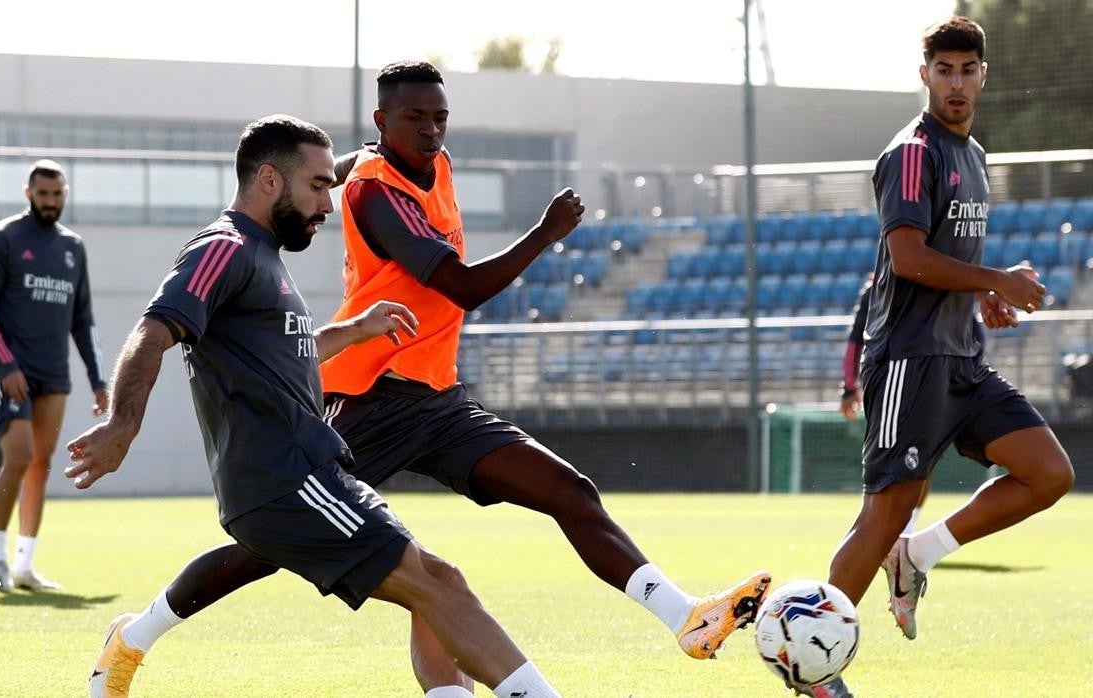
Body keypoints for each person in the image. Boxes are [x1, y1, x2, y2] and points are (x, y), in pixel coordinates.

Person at [88, 61, 771, 698]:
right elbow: (463, 286)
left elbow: (327, 211)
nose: (432, 128)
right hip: (371, 398)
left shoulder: (371, 191)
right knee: (283, 545)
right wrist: (545, 233)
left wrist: (349, 308)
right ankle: (138, 633)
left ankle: (685, 617)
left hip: (437, 398)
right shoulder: (307, 219)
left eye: (439, 115)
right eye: (414, 117)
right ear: (384, 122)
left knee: (560, 496)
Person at [66, 115, 563, 698]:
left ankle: (131, 641)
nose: (330, 204)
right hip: (285, 479)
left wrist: (351, 332)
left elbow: (285, 353)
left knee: (435, 589)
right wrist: (123, 426)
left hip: (305, 474)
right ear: (270, 181)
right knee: (439, 586)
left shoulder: (264, 257)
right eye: (319, 186)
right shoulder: (222, 248)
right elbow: (153, 332)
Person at [802, 17, 1075, 698]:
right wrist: (996, 279)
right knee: (884, 511)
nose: (956, 82)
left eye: (968, 70)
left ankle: (919, 556)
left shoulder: (976, 156)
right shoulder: (913, 153)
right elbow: (908, 256)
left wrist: (985, 298)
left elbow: (951, 254)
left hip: (960, 359)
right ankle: (813, 664)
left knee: (1047, 473)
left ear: (984, 75)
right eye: (944, 70)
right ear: (924, 74)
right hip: (907, 361)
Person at [0, 159, 109, 592]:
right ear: (28, 194)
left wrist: (99, 379)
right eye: (42, 194)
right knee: (17, 456)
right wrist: (5, 366)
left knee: (40, 464)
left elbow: (82, 319)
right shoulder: (4, 238)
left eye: (57, 194)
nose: (50, 202)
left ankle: (24, 566)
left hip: (54, 373)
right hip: (12, 371)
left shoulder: (73, 247)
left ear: (65, 194)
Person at [839, 273, 928, 535]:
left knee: (923, 460)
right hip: (886, 384)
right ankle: (874, 527)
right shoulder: (874, 291)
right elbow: (856, 339)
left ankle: (905, 529)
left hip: (929, 382)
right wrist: (849, 387)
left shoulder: (937, 284)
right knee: (886, 457)